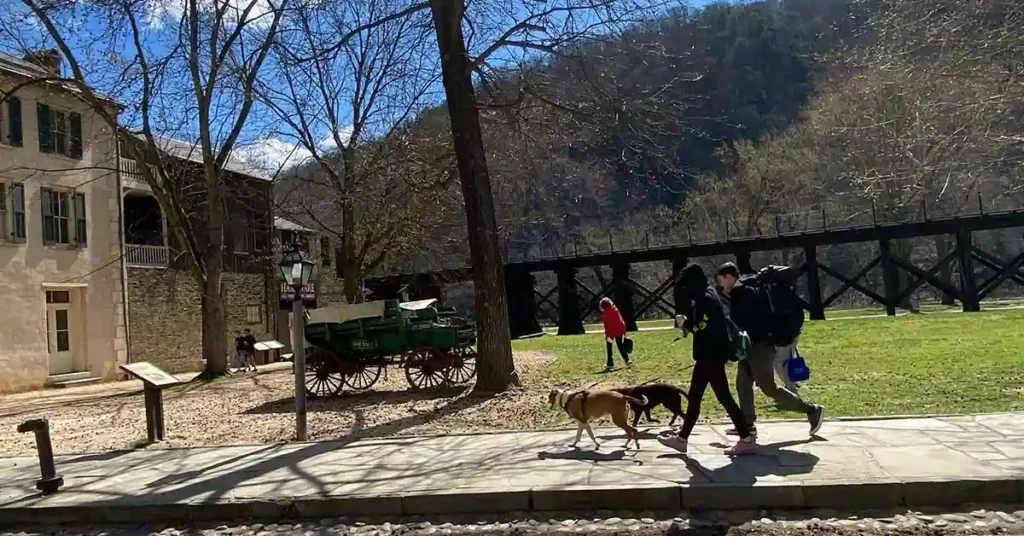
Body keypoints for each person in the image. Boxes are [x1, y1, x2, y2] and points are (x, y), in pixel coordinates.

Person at [715, 262, 824, 437]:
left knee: (768, 388)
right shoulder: (741, 293)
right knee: (742, 385)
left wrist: (733, 347)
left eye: (721, 280)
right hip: (751, 347)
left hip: (759, 347)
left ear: (729, 277)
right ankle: (747, 425)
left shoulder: (744, 294)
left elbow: (747, 325)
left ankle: (812, 410)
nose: (721, 285)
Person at [657, 263, 755, 455]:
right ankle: (682, 439)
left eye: (686, 286)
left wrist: (685, 323)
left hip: (710, 355)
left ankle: (746, 438)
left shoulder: (705, 298)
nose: (685, 290)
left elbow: (703, 324)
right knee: (697, 397)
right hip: (710, 354)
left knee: (721, 397)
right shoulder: (708, 293)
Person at [599, 297, 631, 370]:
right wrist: (624, 331)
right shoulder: (615, 310)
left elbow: (607, 325)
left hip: (610, 332)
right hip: (619, 331)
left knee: (609, 347)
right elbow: (621, 321)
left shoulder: (605, 314)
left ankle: (610, 362)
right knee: (620, 346)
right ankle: (627, 360)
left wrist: (607, 335)